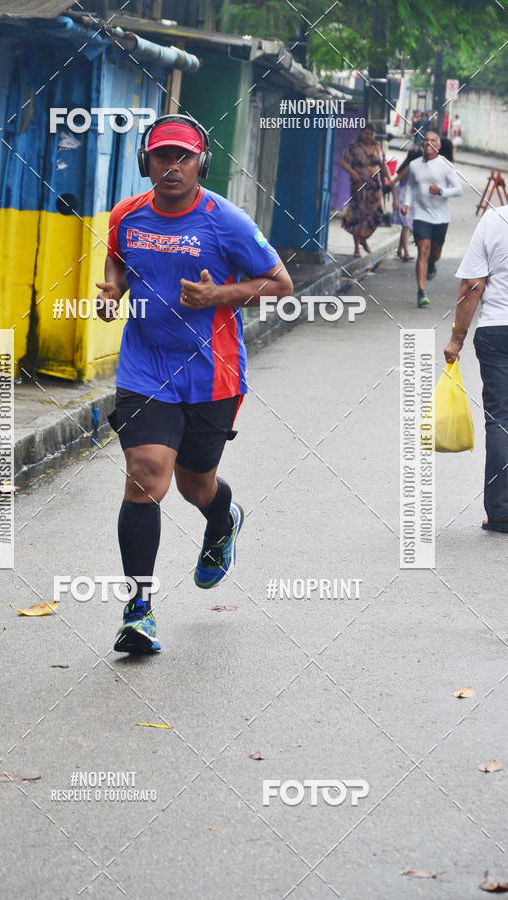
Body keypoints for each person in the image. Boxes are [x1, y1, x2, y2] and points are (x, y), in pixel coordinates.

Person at [95, 114, 293, 654]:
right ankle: (139, 609)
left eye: (184, 157)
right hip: (145, 371)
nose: (172, 166)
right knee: (144, 477)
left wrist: (219, 297)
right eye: (162, 156)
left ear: (201, 162)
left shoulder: (225, 221)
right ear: (146, 162)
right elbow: (117, 259)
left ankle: (222, 518)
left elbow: (281, 285)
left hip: (213, 376)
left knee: (194, 486)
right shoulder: (126, 216)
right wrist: (113, 292)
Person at [444, 206, 508, 532]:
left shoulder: (494, 220)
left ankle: (501, 512)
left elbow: (472, 284)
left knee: (501, 420)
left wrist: (457, 339)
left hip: (497, 332)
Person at [401, 130, 462, 307]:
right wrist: (406, 204)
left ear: (439, 145)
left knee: (434, 254)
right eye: (426, 140)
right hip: (421, 214)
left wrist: (440, 191)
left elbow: (459, 190)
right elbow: (411, 188)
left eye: (433, 140)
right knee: (423, 249)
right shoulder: (414, 165)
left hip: (441, 216)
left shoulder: (445, 165)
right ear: (422, 144)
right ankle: (421, 292)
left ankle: (432, 264)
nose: (429, 143)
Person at [340, 122, 397, 257]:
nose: (369, 136)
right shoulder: (354, 147)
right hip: (358, 186)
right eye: (366, 133)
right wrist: (353, 173)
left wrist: (390, 178)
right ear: (361, 133)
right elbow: (343, 162)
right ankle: (357, 247)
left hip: (375, 186)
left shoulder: (377, 147)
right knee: (357, 215)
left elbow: (383, 165)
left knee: (377, 214)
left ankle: (364, 238)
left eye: (371, 134)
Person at [391, 147, 421, 260]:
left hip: (410, 198)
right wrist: (395, 199)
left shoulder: (415, 168)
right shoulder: (409, 168)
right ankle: (406, 252)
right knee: (406, 225)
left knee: (406, 225)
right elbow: (393, 182)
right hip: (403, 197)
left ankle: (399, 250)